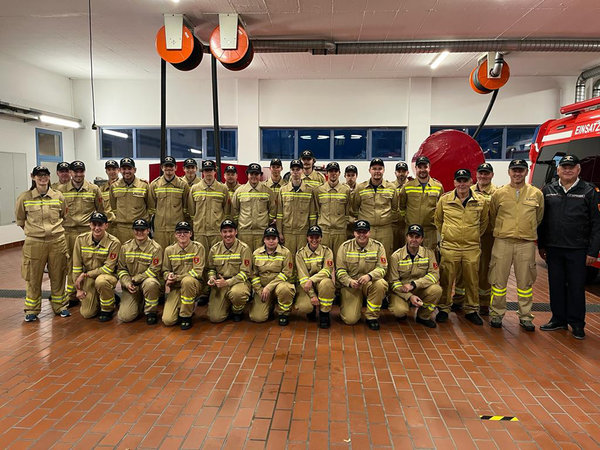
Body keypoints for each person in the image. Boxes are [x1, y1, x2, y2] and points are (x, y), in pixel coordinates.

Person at [538, 155, 600, 339]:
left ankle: (577, 323)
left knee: (576, 288)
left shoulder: (589, 191)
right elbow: (542, 221)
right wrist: (541, 245)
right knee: (556, 286)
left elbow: (597, 224)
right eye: (564, 167)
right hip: (554, 248)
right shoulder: (548, 190)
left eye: (571, 167)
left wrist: (593, 251)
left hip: (578, 250)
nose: (567, 170)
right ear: (558, 170)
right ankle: (558, 319)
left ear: (578, 170)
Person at [488, 159, 544, 331]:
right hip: (503, 242)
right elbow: (492, 216)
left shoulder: (536, 194)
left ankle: (525, 316)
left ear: (526, 172)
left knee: (525, 283)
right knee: (498, 281)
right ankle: (496, 314)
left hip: (525, 244)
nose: (517, 173)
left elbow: (539, 217)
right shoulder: (499, 193)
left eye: (521, 170)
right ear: (509, 172)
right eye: (514, 170)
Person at [16, 166, 70, 322]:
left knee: (59, 274)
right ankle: (32, 309)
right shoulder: (24, 197)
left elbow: (63, 216)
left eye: (45, 175)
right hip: (34, 243)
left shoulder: (58, 196)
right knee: (33, 276)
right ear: (33, 177)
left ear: (49, 176)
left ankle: (60, 306)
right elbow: (21, 220)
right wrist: (35, 232)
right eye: (39, 175)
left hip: (57, 241)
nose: (42, 178)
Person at [434, 169, 489, 325]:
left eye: (465, 180)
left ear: (471, 182)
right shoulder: (445, 200)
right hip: (450, 247)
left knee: (472, 280)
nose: (462, 184)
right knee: (446, 279)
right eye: (459, 181)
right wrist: (448, 234)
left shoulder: (480, 201)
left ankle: (471, 309)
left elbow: (483, 222)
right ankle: (444, 308)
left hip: (471, 247)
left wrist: (473, 235)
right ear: (454, 182)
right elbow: (438, 220)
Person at [57, 160, 104, 307]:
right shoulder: (60, 190)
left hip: (87, 232)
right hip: (68, 232)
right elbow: (57, 212)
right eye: (75, 171)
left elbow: (100, 210)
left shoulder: (94, 189)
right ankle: (72, 294)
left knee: (92, 262)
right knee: (71, 264)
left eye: (81, 171)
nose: (78, 174)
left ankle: (94, 292)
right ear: (70, 173)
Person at [453, 162, 497, 315]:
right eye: (481, 173)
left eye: (486, 173)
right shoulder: (468, 190)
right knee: (462, 268)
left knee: (484, 269)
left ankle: (483, 301)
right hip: (467, 236)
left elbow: (491, 217)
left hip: (487, 237)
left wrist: (480, 232)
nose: (483, 176)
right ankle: (459, 298)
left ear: (492, 175)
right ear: (476, 175)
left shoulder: (497, 193)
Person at [336, 220, 388, 330]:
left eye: (364, 232)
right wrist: (349, 281)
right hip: (351, 286)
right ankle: (349, 303)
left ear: (369, 233)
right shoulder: (345, 247)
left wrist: (369, 276)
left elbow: (382, 268)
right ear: (354, 233)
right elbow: (340, 270)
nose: (362, 235)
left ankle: (372, 317)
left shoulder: (378, 247)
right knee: (350, 320)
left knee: (381, 283)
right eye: (358, 232)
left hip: (369, 283)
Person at [387, 224, 442, 328]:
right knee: (399, 311)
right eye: (411, 236)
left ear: (422, 239)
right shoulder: (396, 256)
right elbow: (393, 282)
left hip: (420, 288)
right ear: (406, 237)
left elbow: (434, 275)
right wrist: (409, 296)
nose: (414, 239)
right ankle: (403, 308)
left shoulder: (429, 254)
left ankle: (423, 316)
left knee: (436, 290)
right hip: (401, 291)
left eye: (417, 237)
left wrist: (414, 284)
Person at [72, 212, 121, 321]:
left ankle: (108, 309)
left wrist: (86, 274)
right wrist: (78, 289)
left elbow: (108, 268)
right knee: (87, 313)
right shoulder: (80, 240)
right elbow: (76, 266)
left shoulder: (114, 243)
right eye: (94, 224)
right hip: (89, 278)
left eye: (100, 225)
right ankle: (107, 297)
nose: (97, 228)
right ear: (90, 225)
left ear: (106, 225)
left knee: (101, 282)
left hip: (107, 276)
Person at [116, 219, 163, 324]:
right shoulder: (125, 247)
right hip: (131, 286)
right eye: (137, 230)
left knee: (151, 283)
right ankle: (139, 303)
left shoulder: (156, 248)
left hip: (146, 283)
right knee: (125, 317)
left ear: (148, 231)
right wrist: (127, 283)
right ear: (133, 231)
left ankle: (151, 312)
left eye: (143, 230)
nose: (139, 232)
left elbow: (154, 270)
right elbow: (121, 269)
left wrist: (136, 279)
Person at [206, 219, 253, 323]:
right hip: (220, 284)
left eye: (230, 231)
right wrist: (212, 278)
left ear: (236, 232)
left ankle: (237, 311)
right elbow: (211, 269)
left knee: (237, 294)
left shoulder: (244, 248)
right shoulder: (214, 249)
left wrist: (227, 282)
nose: (228, 235)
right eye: (225, 232)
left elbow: (246, 273)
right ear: (221, 233)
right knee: (215, 318)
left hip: (239, 282)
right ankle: (226, 305)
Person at [352, 158, 398, 259]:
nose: (377, 171)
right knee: (366, 258)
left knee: (385, 258)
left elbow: (395, 209)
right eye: (374, 168)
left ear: (383, 170)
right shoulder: (360, 188)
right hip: (367, 230)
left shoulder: (391, 187)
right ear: (369, 170)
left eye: (380, 168)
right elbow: (355, 208)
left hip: (385, 230)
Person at [162, 221, 204, 330]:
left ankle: (186, 316)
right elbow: (165, 270)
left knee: (187, 281)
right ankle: (184, 306)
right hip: (176, 287)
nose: (182, 235)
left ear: (191, 234)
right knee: (168, 320)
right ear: (175, 235)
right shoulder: (169, 250)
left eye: (185, 232)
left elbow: (197, 272)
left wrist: (176, 278)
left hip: (193, 285)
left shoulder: (198, 248)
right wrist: (168, 276)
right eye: (179, 232)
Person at [250, 227, 295, 325]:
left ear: (278, 239)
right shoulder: (256, 253)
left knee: (286, 289)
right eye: (268, 238)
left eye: (274, 238)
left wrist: (269, 287)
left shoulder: (286, 253)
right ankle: (269, 306)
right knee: (257, 317)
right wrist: (259, 290)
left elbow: (286, 273)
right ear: (264, 240)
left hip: (279, 286)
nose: (271, 241)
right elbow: (253, 274)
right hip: (263, 289)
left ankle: (284, 313)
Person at [399, 156, 443, 249]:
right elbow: (401, 206)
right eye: (420, 167)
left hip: (430, 231)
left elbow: (441, 209)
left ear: (429, 168)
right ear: (415, 168)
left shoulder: (438, 187)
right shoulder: (407, 186)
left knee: (430, 256)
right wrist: (407, 219)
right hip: (412, 232)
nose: (422, 170)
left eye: (425, 167)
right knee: (410, 256)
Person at [295, 225, 335, 328]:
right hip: (306, 286)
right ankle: (311, 309)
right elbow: (303, 277)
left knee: (327, 283)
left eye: (317, 237)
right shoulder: (300, 254)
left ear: (321, 238)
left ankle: (324, 313)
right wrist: (312, 295)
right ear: (307, 238)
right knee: (304, 307)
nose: (314, 240)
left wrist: (312, 280)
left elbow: (327, 270)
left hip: (321, 283)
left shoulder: (327, 251)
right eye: (311, 237)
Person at [276, 159, 317, 261]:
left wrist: (311, 233)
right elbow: (279, 214)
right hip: (287, 232)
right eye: (293, 169)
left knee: (302, 259)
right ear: (290, 171)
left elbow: (312, 215)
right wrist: (280, 232)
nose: (295, 172)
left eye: (298, 169)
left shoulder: (309, 190)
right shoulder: (283, 190)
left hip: (303, 232)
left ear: (302, 171)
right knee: (288, 259)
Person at [231, 163, 277, 250]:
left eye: (256, 174)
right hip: (244, 232)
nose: (254, 176)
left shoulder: (267, 191)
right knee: (245, 256)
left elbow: (272, 210)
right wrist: (240, 224)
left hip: (262, 232)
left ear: (260, 175)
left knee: (260, 256)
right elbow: (234, 211)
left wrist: (266, 222)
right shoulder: (239, 191)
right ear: (247, 175)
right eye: (251, 174)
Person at [148, 156, 190, 250]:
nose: (168, 168)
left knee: (177, 254)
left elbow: (186, 207)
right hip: (160, 229)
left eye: (171, 166)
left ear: (176, 168)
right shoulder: (154, 185)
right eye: (166, 166)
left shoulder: (183, 184)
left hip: (178, 228)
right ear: (162, 168)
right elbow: (151, 209)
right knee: (160, 253)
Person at [313, 162, 351, 260]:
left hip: (340, 232)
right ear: (327, 173)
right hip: (324, 231)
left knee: (340, 259)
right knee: (324, 260)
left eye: (335, 171)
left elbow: (347, 211)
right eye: (330, 171)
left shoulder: (346, 190)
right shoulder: (319, 190)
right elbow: (317, 210)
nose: (333, 174)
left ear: (339, 173)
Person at [109, 158, 150, 244]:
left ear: (134, 170)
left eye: (129, 168)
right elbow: (113, 207)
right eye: (124, 169)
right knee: (123, 251)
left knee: (141, 250)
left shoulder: (144, 185)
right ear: (120, 170)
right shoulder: (114, 186)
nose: (127, 171)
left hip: (140, 227)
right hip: (121, 228)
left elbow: (149, 206)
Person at [391, 161, 410, 249]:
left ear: (407, 172)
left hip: (407, 225)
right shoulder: (390, 187)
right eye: (399, 171)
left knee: (407, 249)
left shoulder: (412, 186)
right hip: (393, 225)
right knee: (393, 249)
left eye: (403, 171)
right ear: (395, 173)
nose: (401, 174)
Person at [100, 159, 120, 228]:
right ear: (106, 171)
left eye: (114, 169)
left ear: (118, 170)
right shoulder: (101, 189)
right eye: (109, 170)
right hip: (106, 224)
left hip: (119, 224)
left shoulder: (124, 186)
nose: (111, 172)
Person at [343, 165, 358, 239]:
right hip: (344, 225)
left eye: (353, 175)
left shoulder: (360, 190)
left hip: (357, 225)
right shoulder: (341, 190)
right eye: (348, 175)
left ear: (356, 176)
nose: (350, 178)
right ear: (344, 176)